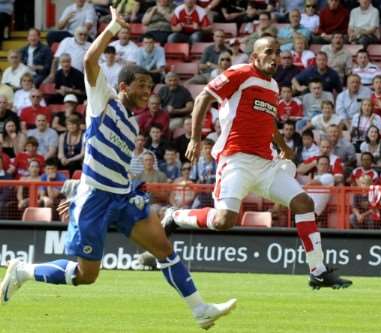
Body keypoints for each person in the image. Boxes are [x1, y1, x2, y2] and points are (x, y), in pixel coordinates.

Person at [0, 7, 236, 330]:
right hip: (95, 200)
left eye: (149, 89)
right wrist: (112, 28)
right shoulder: (103, 99)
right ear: (123, 86)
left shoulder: (132, 126)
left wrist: (133, 190)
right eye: (141, 86)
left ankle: (200, 309)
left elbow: (114, 164)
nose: (146, 92)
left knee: (165, 248)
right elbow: (88, 61)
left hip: (122, 197)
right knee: (86, 276)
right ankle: (23, 271)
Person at [160, 36, 351, 289]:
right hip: (236, 159)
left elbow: (269, 121)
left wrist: (283, 147)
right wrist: (195, 138)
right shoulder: (240, 73)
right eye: (269, 52)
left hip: (266, 164)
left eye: (278, 52)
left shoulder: (272, 86)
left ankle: (318, 270)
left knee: (304, 203)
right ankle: (176, 216)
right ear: (255, 57)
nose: (275, 57)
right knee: (223, 221)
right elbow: (202, 99)